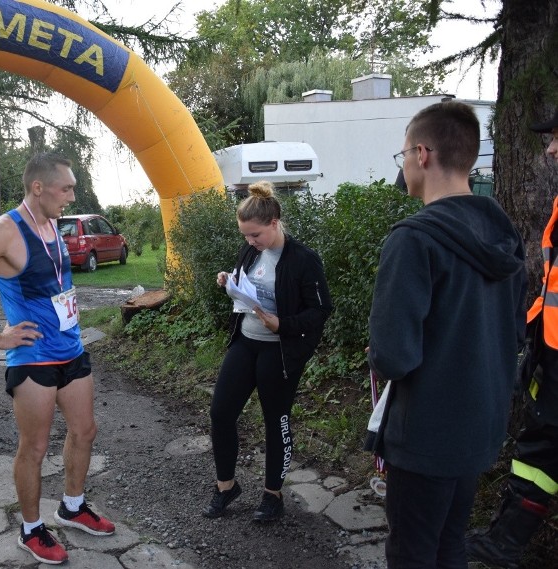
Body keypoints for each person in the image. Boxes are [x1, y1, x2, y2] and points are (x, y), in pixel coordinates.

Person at [368, 100, 527, 568]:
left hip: (425, 435)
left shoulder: (412, 239)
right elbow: (515, 331)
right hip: (479, 427)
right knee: (450, 545)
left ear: (422, 154)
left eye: (402, 156)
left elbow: (393, 357)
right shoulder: (504, 235)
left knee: (413, 552)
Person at [0, 153, 114, 565]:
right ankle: (31, 530)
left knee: (85, 431)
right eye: (66, 188)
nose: (72, 196)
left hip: (71, 350)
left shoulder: (52, 223)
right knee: (34, 447)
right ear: (38, 187)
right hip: (33, 358)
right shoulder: (4, 230)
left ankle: (72, 507)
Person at [203, 181, 333, 521]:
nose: (250, 242)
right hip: (246, 341)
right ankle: (226, 487)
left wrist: (282, 324)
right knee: (221, 412)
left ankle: (272, 495)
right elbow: (249, 283)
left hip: (279, 350)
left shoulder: (304, 259)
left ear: (274, 223)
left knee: (276, 421)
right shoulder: (250, 250)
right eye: (245, 236)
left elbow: (320, 311)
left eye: (255, 235)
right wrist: (228, 280)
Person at [466, 109, 558, 568]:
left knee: (540, 450)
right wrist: (535, 337)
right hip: (553, 352)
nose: (551, 148)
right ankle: (506, 541)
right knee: (539, 451)